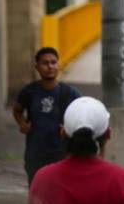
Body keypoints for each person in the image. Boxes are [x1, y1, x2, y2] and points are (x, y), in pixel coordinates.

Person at [12, 47, 81, 184]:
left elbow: (82, 116)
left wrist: (70, 130)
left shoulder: (70, 93)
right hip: (35, 153)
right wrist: (22, 123)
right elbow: (17, 109)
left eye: (53, 62)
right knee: (36, 193)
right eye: (45, 63)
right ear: (37, 67)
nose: (50, 67)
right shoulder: (29, 91)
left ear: (58, 65)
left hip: (61, 154)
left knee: (60, 193)